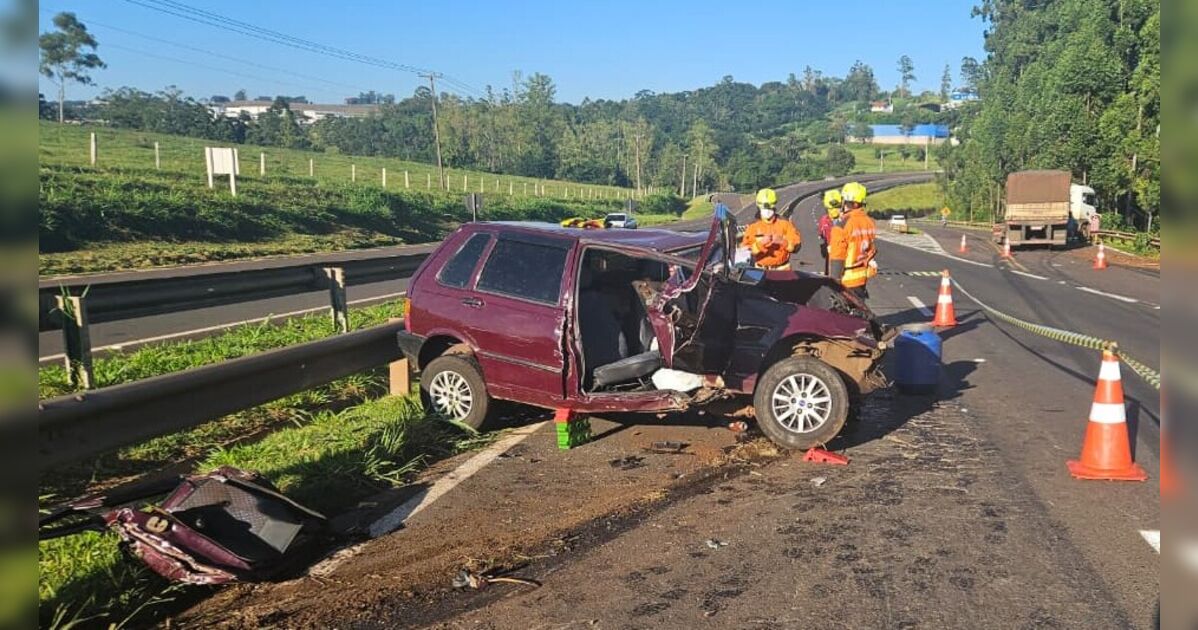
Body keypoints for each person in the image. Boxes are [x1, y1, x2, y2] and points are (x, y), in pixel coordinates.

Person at [742, 188, 801, 270]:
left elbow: (796, 247)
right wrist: (760, 244)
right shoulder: (752, 227)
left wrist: (783, 242)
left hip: (782, 270)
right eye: (764, 208)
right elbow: (745, 252)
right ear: (759, 207)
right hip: (760, 270)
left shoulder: (785, 224)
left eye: (769, 208)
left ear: (774, 207)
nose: (767, 211)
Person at [840, 181, 877, 301]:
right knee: (859, 310)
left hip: (846, 278)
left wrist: (833, 279)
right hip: (861, 276)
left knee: (842, 315)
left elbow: (837, 255)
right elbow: (871, 249)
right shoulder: (869, 222)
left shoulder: (844, 223)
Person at [818, 189, 842, 275]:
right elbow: (822, 237)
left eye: (837, 207)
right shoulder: (824, 221)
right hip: (831, 258)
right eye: (831, 208)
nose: (834, 210)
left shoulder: (847, 220)